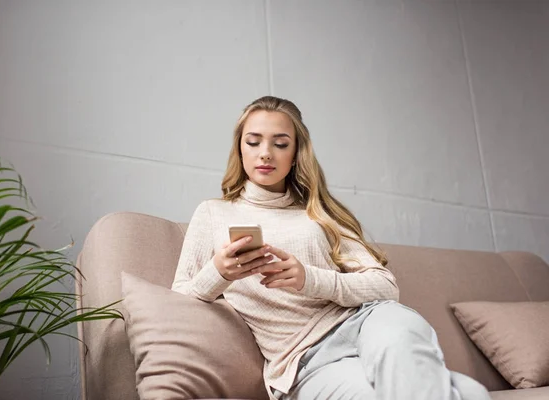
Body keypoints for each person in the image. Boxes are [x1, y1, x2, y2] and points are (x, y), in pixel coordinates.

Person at [171, 96, 491, 400]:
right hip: (307, 362)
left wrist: (307, 278)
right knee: (471, 394)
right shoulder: (213, 213)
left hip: (368, 323)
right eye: (253, 141)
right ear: (239, 149)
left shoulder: (318, 213)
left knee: (402, 334)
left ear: (295, 154)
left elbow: (386, 286)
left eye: (280, 143)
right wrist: (219, 272)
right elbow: (179, 298)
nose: (265, 153)